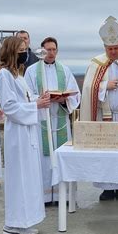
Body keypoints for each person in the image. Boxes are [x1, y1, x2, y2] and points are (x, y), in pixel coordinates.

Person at [79, 16, 118, 201]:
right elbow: (88, 89)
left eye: (116, 48)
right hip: (105, 117)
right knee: (106, 153)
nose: (113, 52)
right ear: (104, 48)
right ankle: (107, 188)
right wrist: (104, 85)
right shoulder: (97, 63)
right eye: (110, 49)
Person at [0, 36, 50, 234]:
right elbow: (9, 106)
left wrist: (39, 100)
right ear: (11, 51)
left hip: (28, 132)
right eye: (21, 49)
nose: (25, 53)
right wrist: (36, 105)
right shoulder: (3, 75)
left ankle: (25, 222)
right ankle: (12, 225)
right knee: (19, 178)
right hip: (17, 133)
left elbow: (25, 100)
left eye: (25, 49)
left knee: (28, 178)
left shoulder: (18, 76)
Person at [25, 37, 81, 204]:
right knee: (44, 159)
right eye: (47, 49)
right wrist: (41, 99)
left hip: (60, 118)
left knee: (61, 157)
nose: (51, 53)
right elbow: (27, 95)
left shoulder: (64, 70)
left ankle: (63, 197)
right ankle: (44, 197)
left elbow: (75, 93)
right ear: (41, 50)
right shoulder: (32, 71)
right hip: (41, 119)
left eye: (53, 49)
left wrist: (63, 99)